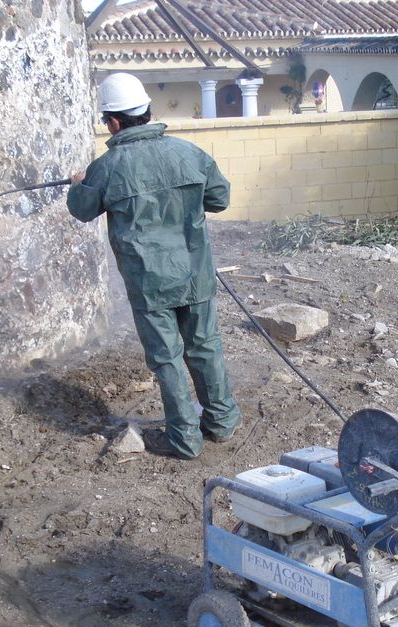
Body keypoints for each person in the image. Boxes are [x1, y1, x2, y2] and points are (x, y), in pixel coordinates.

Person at [66, 73, 241, 460]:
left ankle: (184, 439)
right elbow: (219, 199)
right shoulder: (189, 153)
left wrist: (80, 183)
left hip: (149, 283)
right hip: (195, 272)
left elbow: (82, 210)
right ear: (147, 111)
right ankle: (222, 422)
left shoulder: (106, 167)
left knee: (167, 358)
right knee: (205, 346)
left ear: (112, 122)